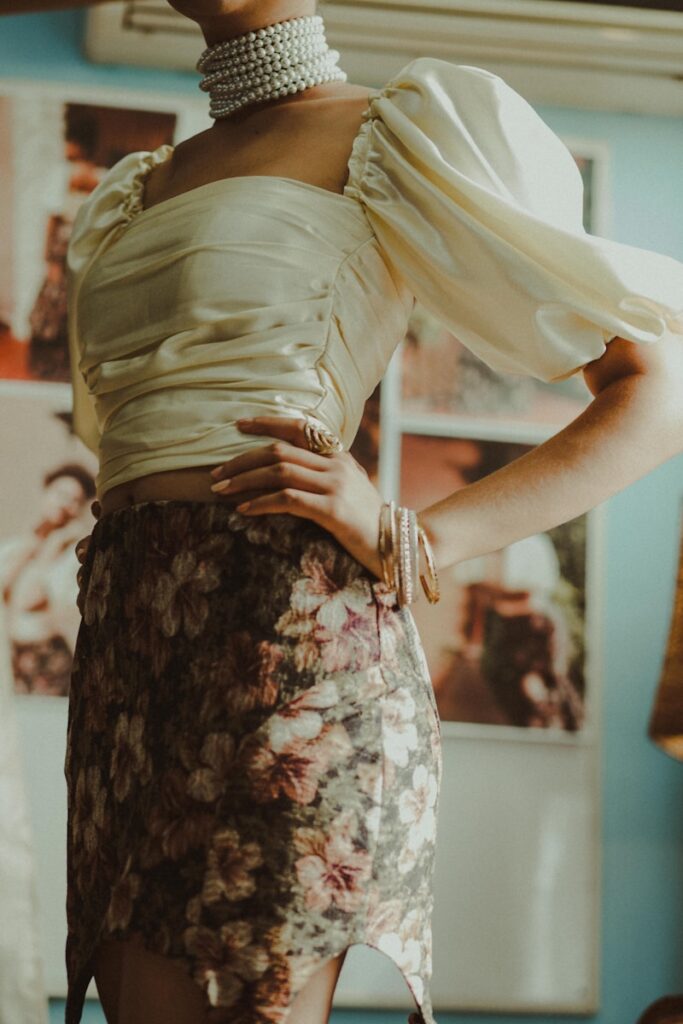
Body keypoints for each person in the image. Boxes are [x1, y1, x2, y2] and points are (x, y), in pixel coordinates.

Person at [5, 1, 683, 1023]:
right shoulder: (137, 188)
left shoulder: (394, 132)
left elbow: (653, 391)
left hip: (287, 634)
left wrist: (418, 535)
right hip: (129, 648)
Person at [0, 463, 95, 696]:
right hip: (10, 656)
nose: (65, 504)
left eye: (75, 500)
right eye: (61, 494)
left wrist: (54, 546)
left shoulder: (72, 558)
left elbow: (30, 598)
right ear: (45, 493)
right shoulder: (14, 548)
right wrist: (33, 545)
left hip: (48, 659)